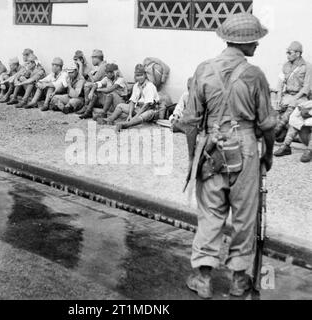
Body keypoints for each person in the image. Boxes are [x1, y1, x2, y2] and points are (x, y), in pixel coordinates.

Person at [181, 13, 276, 299]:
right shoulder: (255, 75)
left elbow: (189, 122)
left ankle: (202, 278)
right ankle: (238, 280)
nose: (258, 44)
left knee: (210, 213)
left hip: (211, 146)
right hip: (246, 147)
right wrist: (268, 154)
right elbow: (267, 125)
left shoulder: (203, 69)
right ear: (244, 42)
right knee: (245, 216)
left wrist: (192, 157)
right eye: (255, 39)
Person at [99, 64, 159, 132]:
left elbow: (146, 105)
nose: (139, 78)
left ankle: (126, 125)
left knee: (146, 114)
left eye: (141, 75)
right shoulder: (136, 85)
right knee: (120, 106)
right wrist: (130, 114)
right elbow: (132, 101)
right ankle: (110, 119)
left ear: (145, 75)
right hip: (138, 108)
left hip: (149, 109)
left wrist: (136, 116)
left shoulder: (150, 86)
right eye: (137, 76)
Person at [274, 41, 312, 142]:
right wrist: (278, 97)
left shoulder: (307, 66)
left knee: (292, 105)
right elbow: (280, 83)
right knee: (279, 106)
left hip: (301, 97)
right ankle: (281, 131)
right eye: (287, 52)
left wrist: (294, 99)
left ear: (298, 54)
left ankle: (277, 129)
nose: (287, 55)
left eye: (290, 53)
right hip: (288, 95)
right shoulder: (285, 66)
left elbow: (306, 88)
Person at [77, 49, 107, 115]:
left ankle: (86, 106)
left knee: (87, 85)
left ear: (98, 58)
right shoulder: (99, 67)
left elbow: (94, 80)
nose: (92, 60)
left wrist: (89, 74)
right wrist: (81, 66)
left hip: (104, 92)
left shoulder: (103, 66)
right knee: (86, 83)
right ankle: (87, 107)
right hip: (99, 88)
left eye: (93, 58)